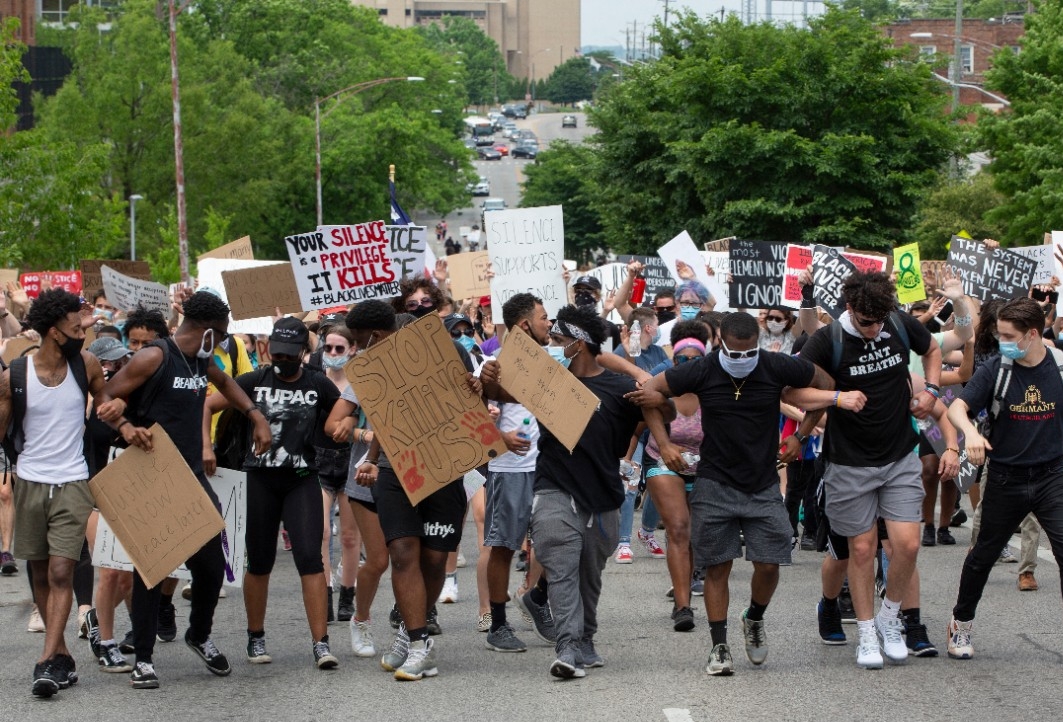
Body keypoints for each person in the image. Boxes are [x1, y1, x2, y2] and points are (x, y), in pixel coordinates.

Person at [634, 312, 831, 675]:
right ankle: (719, 646)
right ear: (720, 343)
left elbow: (825, 386)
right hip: (715, 482)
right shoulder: (702, 369)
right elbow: (649, 394)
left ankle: (754, 617)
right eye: (734, 354)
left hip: (762, 483)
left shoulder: (775, 365)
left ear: (757, 346)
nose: (742, 361)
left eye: (748, 354)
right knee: (718, 566)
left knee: (770, 564)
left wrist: (799, 436)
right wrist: (664, 444)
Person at [95, 291, 272, 689]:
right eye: (222, 335)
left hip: (190, 477)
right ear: (207, 331)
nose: (225, 342)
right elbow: (105, 396)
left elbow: (225, 382)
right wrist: (125, 427)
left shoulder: (201, 360)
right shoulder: (154, 357)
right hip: (152, 474)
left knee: (211, 568)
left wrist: (256, 415)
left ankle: (199, 634)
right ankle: (143, 659)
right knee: (151, 571)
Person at [492, 304, 665, 679]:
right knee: (561, 566)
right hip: (553, 489)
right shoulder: (547, 381)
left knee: (589, 573)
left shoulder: (620, 389)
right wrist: (489, 376)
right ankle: (567, 646)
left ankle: (585, 638)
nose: (551, 345)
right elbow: (496, 390)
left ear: (579, 343)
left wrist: (661, 429)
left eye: (558, 339)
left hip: (603, 497)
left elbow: (658, 410)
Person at [792, 270, 950, 670]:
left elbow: (932, 349)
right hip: (849, 462)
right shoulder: (828, 340)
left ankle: (889, 617)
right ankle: (865, 632)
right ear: (849, 308)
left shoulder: (896, 322)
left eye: (879, 320)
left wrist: (931, 392)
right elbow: (791, 390)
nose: (873, 327)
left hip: (899, 455)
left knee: (908, 546)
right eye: (866, 321)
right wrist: (837, 396)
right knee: (860, 550)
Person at [346, 300, 480, 681]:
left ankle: (408, 630)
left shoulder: (446, 350)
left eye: (360, 341)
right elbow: (385, 418)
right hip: (393, 470)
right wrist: (371, 459)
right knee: (403, 553)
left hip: (443, 466)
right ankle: (421, 645)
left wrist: (477, 386)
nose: (358, 350)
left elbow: (474, 401)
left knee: (435, 560)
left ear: (375, 334)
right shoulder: (372, 369)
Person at [203, 316, 341, 670]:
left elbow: (345, 412)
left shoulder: (318, 384)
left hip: (301, 478)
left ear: (303, 352)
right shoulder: (254, 380)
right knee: (260, 561)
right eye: (277, 354)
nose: (282, 361)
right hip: (259, 480)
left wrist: (347, 426)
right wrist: (206, 446)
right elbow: (208, 405)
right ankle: (256, 635)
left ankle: (321, 644)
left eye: (289, 354)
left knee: (310, 558)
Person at [0, 288, 107, 697]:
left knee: (63, 570)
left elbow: (107, 402)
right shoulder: (15, 377)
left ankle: (45, 662)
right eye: (74, 324)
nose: (82, 329)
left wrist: (117, 413)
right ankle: (61, 654)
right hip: (28, 480)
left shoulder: (88, 365)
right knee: (41, 571)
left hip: (73, 481)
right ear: (52, 330)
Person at [945, 298, 1063, 660]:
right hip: (1006, 478)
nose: (1002, 341)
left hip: (1052, 477)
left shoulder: (1059, 367)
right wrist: (971, 433)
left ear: (1032, 334)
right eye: (999, 334)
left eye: (1009, 335)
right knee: (983, 555)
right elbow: (956, 407)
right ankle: (960, 624)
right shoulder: (998, 369)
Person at [478, 293, 553, 653]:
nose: (549, 324)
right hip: (510, 471)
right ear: (525, 325)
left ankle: (537, 599)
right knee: (505, 547)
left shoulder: (551, 363)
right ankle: (498, 624)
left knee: (558, 542)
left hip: (549, 470)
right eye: (543, 318)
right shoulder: (492, 366)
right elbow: (470, 421)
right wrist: (499, 437)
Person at [639, 320, 710, 632]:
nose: (689, 367)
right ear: (674, 362)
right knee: (679, 528)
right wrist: (665, 445)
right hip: (664, 463)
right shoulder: (663, 384)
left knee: (695, 533)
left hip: (704, 468)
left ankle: (686, 587)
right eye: (682, 361)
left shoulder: (714, 389)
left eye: (696, 361)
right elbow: (644, 407)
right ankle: (683, 607)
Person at [315, 325, 359, 622]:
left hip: (351, 463)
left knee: (349, 537)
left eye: (339, 349)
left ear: (352, 349)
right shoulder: (316, 381)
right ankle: (325, 594)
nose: (332, 354)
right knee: (321, 532)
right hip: (319, 462)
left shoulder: (360, 383)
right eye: (327, 348)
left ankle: (347, 595)